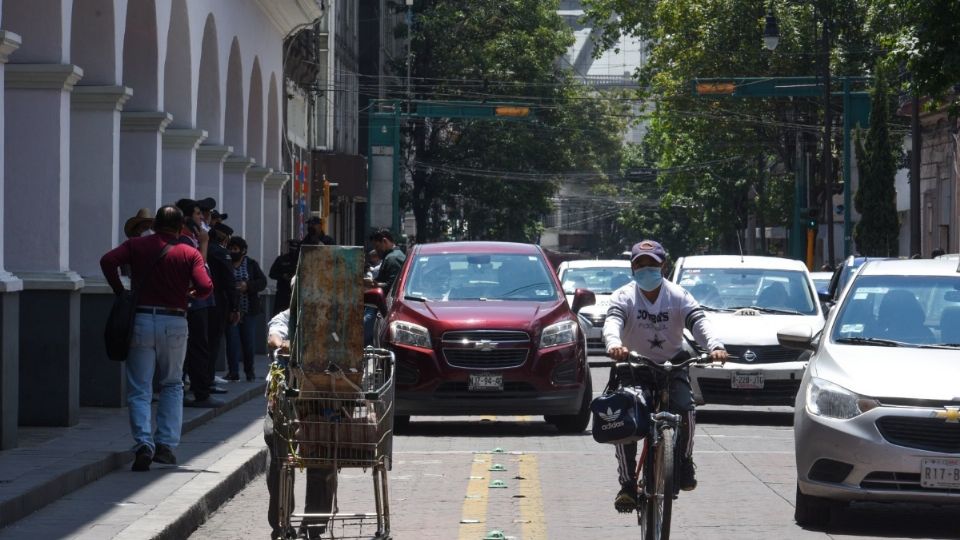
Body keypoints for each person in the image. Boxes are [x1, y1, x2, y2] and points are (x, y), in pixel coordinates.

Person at [603, 240, 728, 512]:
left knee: (686, 409)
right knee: (625, 421)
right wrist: (615, 345)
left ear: (664, 266)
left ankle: (683, 462)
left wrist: (715, 347)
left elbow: (699, 322)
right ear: (632, 268)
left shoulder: (678, 296)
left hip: (672, 366)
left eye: (652, 264)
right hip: (633, 368)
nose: (646, 269)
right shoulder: (623, 296)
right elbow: (612, 322)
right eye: (640, 265)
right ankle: (627, 484)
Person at [100, 206, 213, 471]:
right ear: (179, 229)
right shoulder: (190, 253)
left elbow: (107, 261)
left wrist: (121, 292)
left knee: (140, 388)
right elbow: (206, 287)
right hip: (174, 320)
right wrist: (190, 295)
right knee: (172, 384)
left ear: (156, 224)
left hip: (140, 319)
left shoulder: (137, 245)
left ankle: (143, 444)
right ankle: (165, 445)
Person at [264, 300, 337, 539]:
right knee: (279, 458)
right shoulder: (285, 317)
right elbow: (274, 338)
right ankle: (281, 521)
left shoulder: (330, 322)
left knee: (322, 456)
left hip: (319, 396)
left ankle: (314, 524)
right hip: (287, 396)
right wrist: (288, 345)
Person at [176, 199, 220, 407]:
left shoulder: (191, 239)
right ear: (185, 219)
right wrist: (204, 243)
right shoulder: (184, 241)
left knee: (200, 345)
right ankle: (199, 391)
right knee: (196, 347)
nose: (201, 218)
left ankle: (199, 388)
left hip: (201, 301)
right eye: (196, 214)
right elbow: (198, 268)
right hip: (193, 302)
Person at [226, 236, 268, 381]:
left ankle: (249, 371)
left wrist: (247, 286)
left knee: (248, 342)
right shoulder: (226, 263)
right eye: (230, 249)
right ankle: (233, 372)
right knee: (232, 341)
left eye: (236, 249)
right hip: (231, 309)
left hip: (249, 309)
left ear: (243, 251)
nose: (233, 251)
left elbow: (262, 282)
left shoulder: (251, 264)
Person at [206, 223, 241, 393]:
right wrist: (235, 307)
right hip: (217, 301)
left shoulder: (202, 249)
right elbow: (229, 282)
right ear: (224, 238)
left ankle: (198, 378)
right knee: (213, 342)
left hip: (197, 300)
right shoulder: (221, 253)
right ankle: (207, 380)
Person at [362, 229, 406, 345]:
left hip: (385, 307)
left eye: (377, 247)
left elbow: (393, 286)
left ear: (384, 241)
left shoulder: (393, 258)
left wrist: (374, 284)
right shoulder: (393, 256)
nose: (376, 251)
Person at [269, 239, 300, 314]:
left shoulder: (301, 259)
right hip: (283, 293)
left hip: (297, 293)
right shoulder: (281, 259)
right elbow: (272, 274)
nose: (293, 250)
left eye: (295, 248)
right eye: (291, 248)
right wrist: (282, 276)